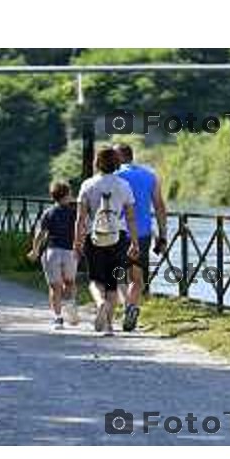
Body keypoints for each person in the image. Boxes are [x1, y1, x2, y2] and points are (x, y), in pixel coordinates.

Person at [74, 146, 139, 335]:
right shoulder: (124, 186)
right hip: (118, 237)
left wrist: (77, 243)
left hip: (94, 236)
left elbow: (81, 218)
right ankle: (109, 326)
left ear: (97, 163)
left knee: (95, 280)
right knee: (113, 282)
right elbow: (130, 218)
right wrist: (134, 243)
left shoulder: (88, 185)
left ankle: (99, 303)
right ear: (117, 164)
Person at [114, 143, 168, 331]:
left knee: (118, 275)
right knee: (137, 279)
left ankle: (127, 307)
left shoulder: (113, 176)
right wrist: (162, 236)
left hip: (117, 233)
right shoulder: (150, 176)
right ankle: (131, 307)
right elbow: (159, 206)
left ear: (119, 157)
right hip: (143, 233)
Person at [28, 181, 79, 330]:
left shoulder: (48, 212)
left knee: (54, 287)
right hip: (70, 252)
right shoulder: (74, 212)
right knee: (69, 282)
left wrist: (35, 250)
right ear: (68, 195)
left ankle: (58, 318)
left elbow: (40, 234)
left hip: (52, 252)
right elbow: (81, 229)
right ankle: (70, 307)